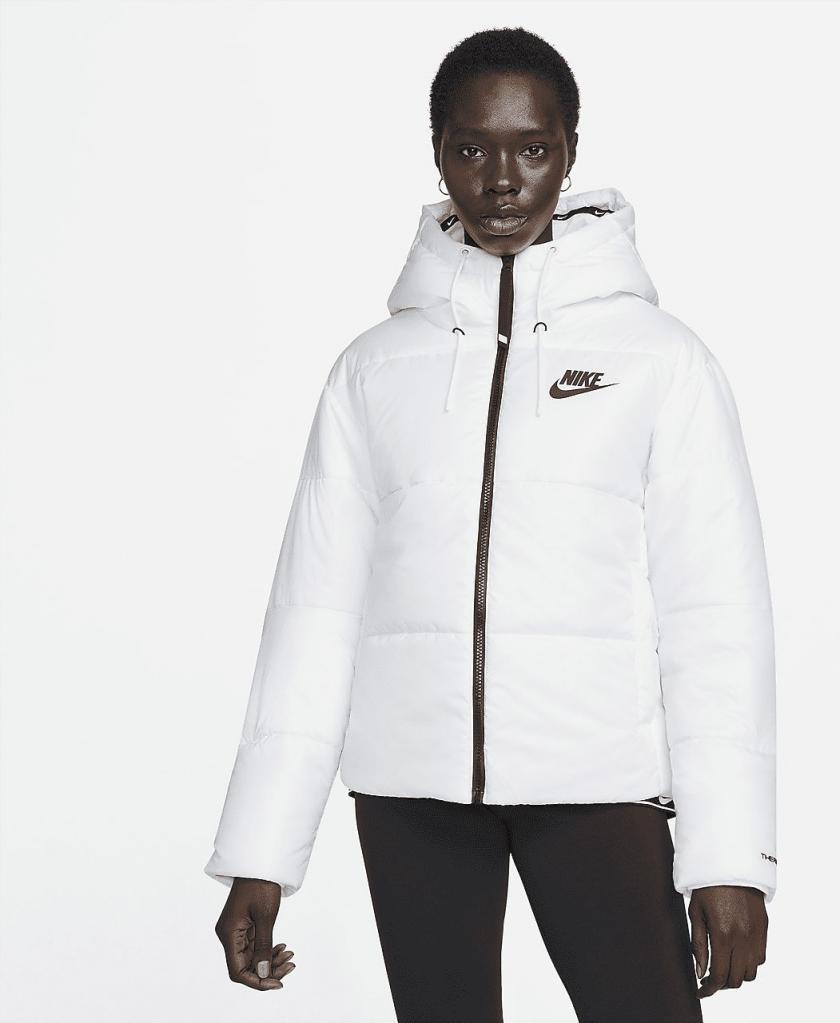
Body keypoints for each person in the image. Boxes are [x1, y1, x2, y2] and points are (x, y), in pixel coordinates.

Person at [206, 27, 776, 1023]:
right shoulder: (373, 371)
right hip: (412, 797)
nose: (503, 180)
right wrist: (260, 853)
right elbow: (312, 616)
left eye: (533, 147)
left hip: (598, 783)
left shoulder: (660, 361)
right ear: (438, 154)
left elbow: (715, 618)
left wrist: (728, 857)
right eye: (471, 148)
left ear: (570, 150)